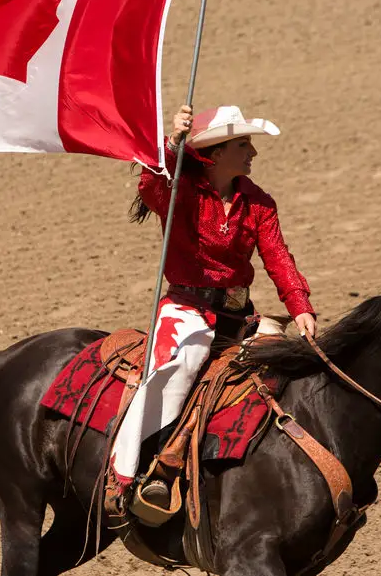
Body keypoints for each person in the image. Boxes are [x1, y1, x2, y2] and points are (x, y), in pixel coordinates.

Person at [111, 104, 317, 510]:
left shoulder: (258, 203)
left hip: (240, 315)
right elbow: (152, 188)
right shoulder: (180, 194)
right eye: (244, 144)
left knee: (285, 370)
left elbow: (278, 257)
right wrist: (172, 144)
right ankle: (129, 474)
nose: (253, 152)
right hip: (187, 310)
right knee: (179, 367)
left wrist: (300, 306)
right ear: (216, 153)